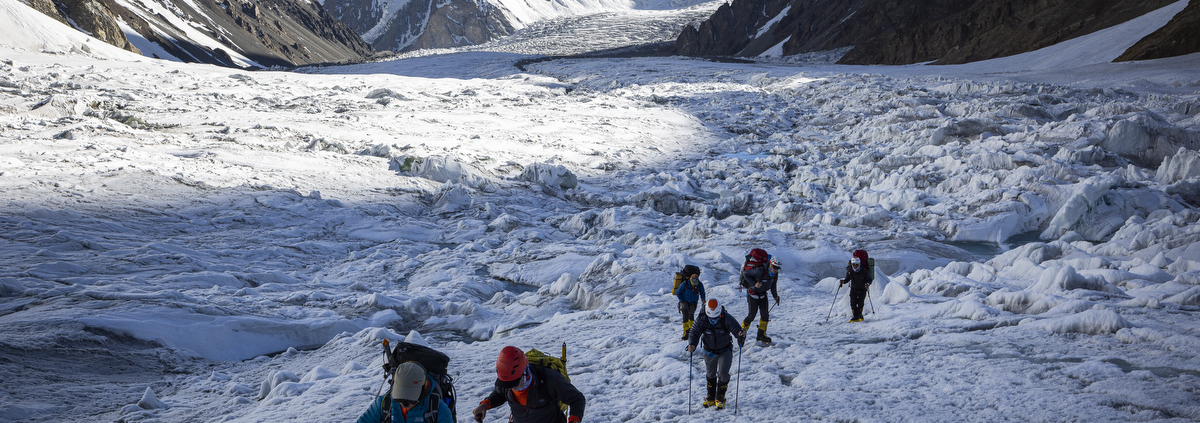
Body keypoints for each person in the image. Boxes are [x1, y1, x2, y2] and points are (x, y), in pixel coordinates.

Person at [473, 346, 586, 423]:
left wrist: (574, 419)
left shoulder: (549, 379)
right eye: (507, 384)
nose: (511, 387)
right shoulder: (506, 381)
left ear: (525, 372)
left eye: (514, 383)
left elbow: (577, 398)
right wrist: (485, 404)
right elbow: (499, 394)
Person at [686, 299, 746, 410]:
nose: (713, 319)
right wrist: (692, 344)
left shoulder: (726, 318)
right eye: (711, 317)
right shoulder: (702, 319)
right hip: (709, 350)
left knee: (723, 374)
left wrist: (741, 335)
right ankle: (711, 397)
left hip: (725, 350)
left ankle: (720, 397)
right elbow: (694, 332)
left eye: (716, 317)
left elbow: (737, 330)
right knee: (710, 374)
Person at [357, 361, 454, 423]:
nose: (405, 404)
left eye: (411, 400)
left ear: (423, 391)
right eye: (399, 399)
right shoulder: (383, 404)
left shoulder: (437, 408)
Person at [740, 249, 781, 344]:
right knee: (751, 316)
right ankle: (741, 335)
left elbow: (773, 285)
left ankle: (761, 335)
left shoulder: (774, 274)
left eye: (777, 268)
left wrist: (775, 296)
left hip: (763, 295)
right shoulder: (759, 270)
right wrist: (754, 284)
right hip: (753, 295)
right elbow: (746, 274)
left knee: (765, 315)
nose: (775, 270)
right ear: (771, 264)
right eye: (774, 267)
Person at [673, 265, 706, 340]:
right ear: (690, 280)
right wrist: (682, 301)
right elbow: (678, 292)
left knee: (691, 316)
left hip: (693, 302)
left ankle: (692, 331)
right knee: (685, 317)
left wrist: (703, 298)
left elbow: (702, 292)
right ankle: (686, 332)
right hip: (685, 302)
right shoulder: (684, 284)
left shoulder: (699, 284)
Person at [839, 252, 873, 322]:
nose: (855, 266)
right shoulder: (850, 271)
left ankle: (860, 316)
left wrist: (867, 284)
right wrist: (843, 281)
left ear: (859, 264)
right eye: (853, 264)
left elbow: (869, 279)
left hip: (862, 290)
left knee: (860, 303)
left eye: (856, 264)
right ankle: (855, 317)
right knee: (853, 303)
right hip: (853, 289)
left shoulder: (864, 271)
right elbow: (847, 279)